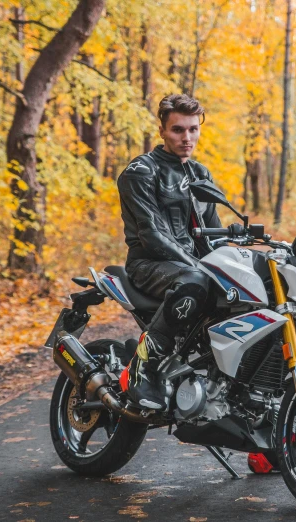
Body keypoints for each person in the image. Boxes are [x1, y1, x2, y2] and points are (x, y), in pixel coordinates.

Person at [117, 94, 223, 410]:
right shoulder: (140, 171)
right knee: (196, 279)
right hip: (149, 263)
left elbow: (215, 235)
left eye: (193, 129)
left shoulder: (201, 174)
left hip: (190, 266)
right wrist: (201, 268)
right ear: (162, 129)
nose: (186, 138)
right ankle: (144, 366)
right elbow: (153, 236)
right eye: (178, 130)